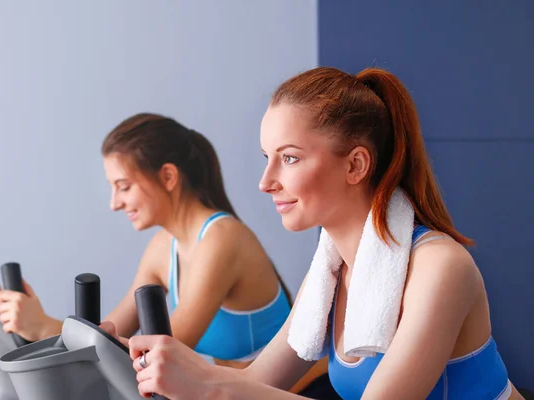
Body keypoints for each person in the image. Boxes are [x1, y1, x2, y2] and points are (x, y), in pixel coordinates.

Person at [124, 68, 525, 399]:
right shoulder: (331, 275)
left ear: (355, 166)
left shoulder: (441, 267)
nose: (266, 182)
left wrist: (208, 384)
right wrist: (180, 369)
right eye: (268, 159)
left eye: (290, 158)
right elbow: (254, 385)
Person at [0, 113, 337, 397]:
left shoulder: (222, 239)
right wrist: (38, 324)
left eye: (124, 187)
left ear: (168, 176)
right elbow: (109, 335)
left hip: (303, 391)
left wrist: (41, 325)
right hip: (238, 391)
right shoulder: (162, 247)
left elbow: (163, 354)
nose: (114, 203)